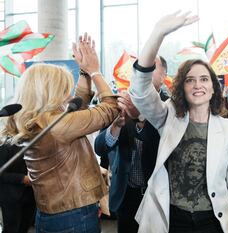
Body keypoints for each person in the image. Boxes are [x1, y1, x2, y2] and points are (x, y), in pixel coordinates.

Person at [128, 11, 228, 233]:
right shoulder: (169, 116)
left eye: (204, 79)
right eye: (190, 80)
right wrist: (158, 33)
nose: (197, 85)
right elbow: (140, 89)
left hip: (212, 222)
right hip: (170, 220)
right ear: (181, 88)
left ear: (213, 88)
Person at [0, 34, 119, 232]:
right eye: (64, 88)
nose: (70, 93)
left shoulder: (41, 120)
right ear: (50, 91)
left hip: (56, 214)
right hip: (73, 217)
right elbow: (110, 108)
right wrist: (95, 72)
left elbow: (78, 106)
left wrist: (84, 72)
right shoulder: (57, 125)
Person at [94, 56, 168, 233]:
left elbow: (162, 144)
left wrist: (140, 118)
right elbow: (100, 147)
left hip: (159, 193)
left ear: (163, 76)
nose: (143, 71)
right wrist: (116, 126)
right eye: (140, 67)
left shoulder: (171, 107)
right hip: (126, 193)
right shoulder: (122, 104)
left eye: (150, 67)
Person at [0, 143, 35, 233]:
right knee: (11, 229)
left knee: (24, 227)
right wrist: (22, 179)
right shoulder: (5, 145)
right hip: (11, 196)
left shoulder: (32, 142)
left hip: (30, 195)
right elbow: (2, 173)